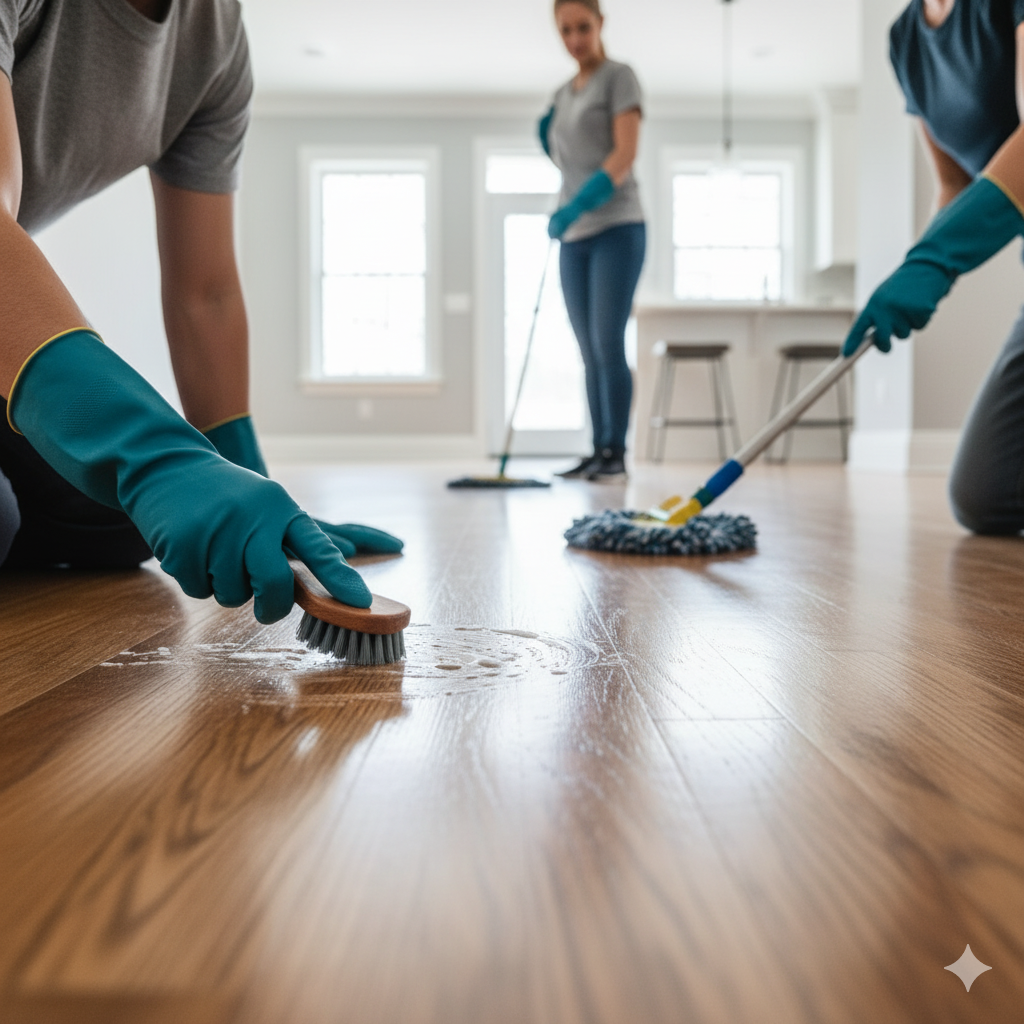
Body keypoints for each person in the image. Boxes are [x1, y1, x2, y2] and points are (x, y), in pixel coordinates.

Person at [0, 0, 403, 623]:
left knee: (124, 523)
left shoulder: (212, 40)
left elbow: (205, 292)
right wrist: (147, 450)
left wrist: (242, 479)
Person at [844, 0, 1024, 534]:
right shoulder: (906, 39)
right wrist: (913, 270)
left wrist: (937, 258)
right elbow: (952, 184)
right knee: (984, 495)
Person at [540, 0, 645, 482]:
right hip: (575, 238)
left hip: (617, 227)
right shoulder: (562, 93)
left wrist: (579, 205)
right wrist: (546, 136)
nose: (575, 39)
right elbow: (569, 159)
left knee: (608, 339)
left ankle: (615, 452)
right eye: (566, 30)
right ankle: (596, 449)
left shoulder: (619, 77)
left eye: (583, 27)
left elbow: (623, 155)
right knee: (586, 347)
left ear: (600, 24)